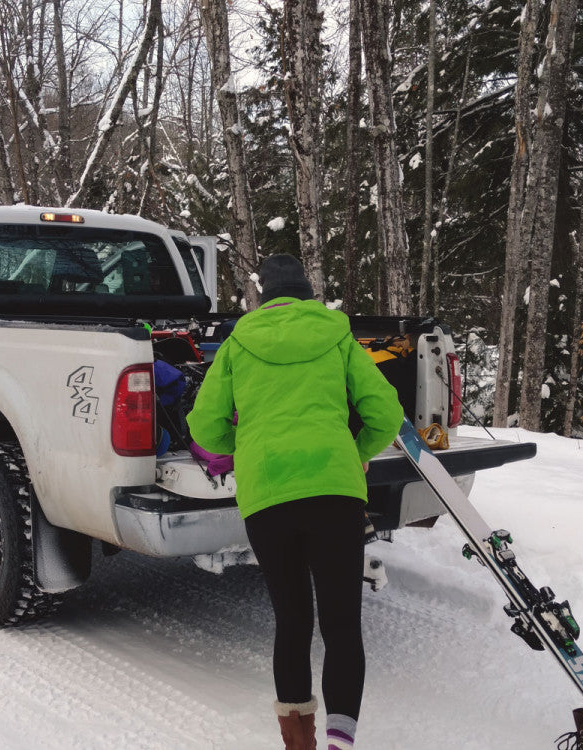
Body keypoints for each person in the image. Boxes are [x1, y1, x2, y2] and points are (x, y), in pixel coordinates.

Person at [187, 254, 403, 750]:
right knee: (342, 624)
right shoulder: (336, 334)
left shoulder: (240, 340)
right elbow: (385, 413)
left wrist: (242, 448)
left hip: (269, 496)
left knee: (293, 621)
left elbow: (203, 425)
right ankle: (339, 744)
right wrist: (357, 452)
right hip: (335, 490)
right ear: (308, 296)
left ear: (262, 299)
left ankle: (300, 746)